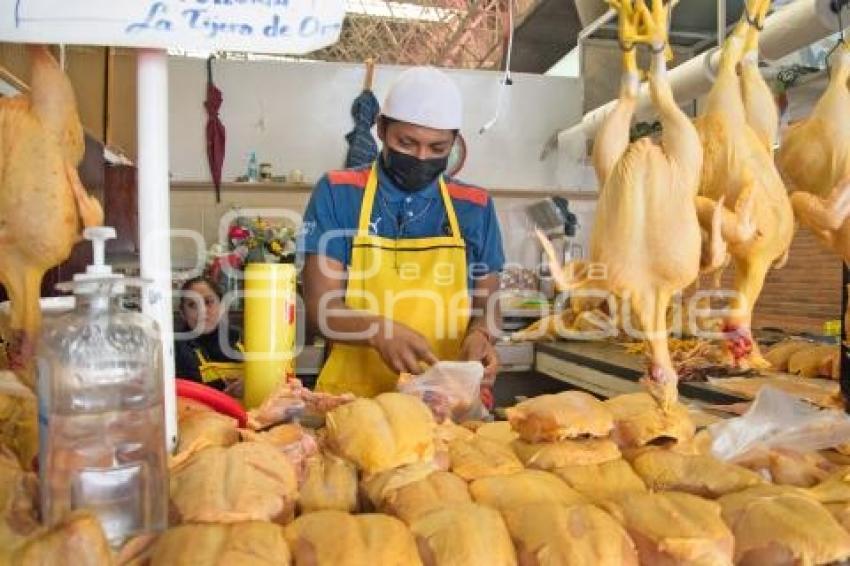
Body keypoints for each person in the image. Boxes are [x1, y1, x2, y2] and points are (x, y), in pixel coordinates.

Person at [299, 66, 504, 404]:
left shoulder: (475, 206)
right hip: (355, 402)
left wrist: (482, 334)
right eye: (406, 142)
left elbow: (490, 304)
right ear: (381, 128)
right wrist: (378, 331)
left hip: (445, 401)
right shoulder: (338, 192)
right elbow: (322, 309)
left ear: (455, 140)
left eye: (438, 148)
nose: (422, 157)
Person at [173, 276, 241, 392]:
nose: (202, 311)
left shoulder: (245, 338)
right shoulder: (174, 350)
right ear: (183, 313)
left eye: (208, 302)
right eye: (192, 305)